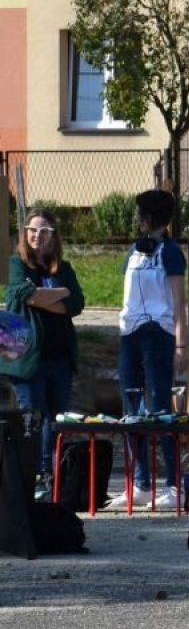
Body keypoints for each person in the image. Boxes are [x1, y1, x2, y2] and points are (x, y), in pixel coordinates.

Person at [109, 189, 188, 510]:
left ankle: (174, 485)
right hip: (130, 333)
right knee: (131, 410)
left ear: (153, 216)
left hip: (159, 333)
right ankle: (140, 483)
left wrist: (181, 344)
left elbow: (179, 303)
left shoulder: (170, 252)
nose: (137, 218)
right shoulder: (134, 250)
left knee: (159, 409)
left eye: (141, 212)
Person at [2, 209, 87, 499]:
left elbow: (76, 304)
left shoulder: (64, 268)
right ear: (24, 233)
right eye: (32, 230)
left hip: (59, 358)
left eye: (44, 231)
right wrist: (61, 293)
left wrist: (49, 295)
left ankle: (51, 477)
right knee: (33, 421)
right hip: (26, 357)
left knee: (57, 420)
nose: (37, 236)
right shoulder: (16, 264)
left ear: (53, 236)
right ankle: (35, 478)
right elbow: (28, 296)